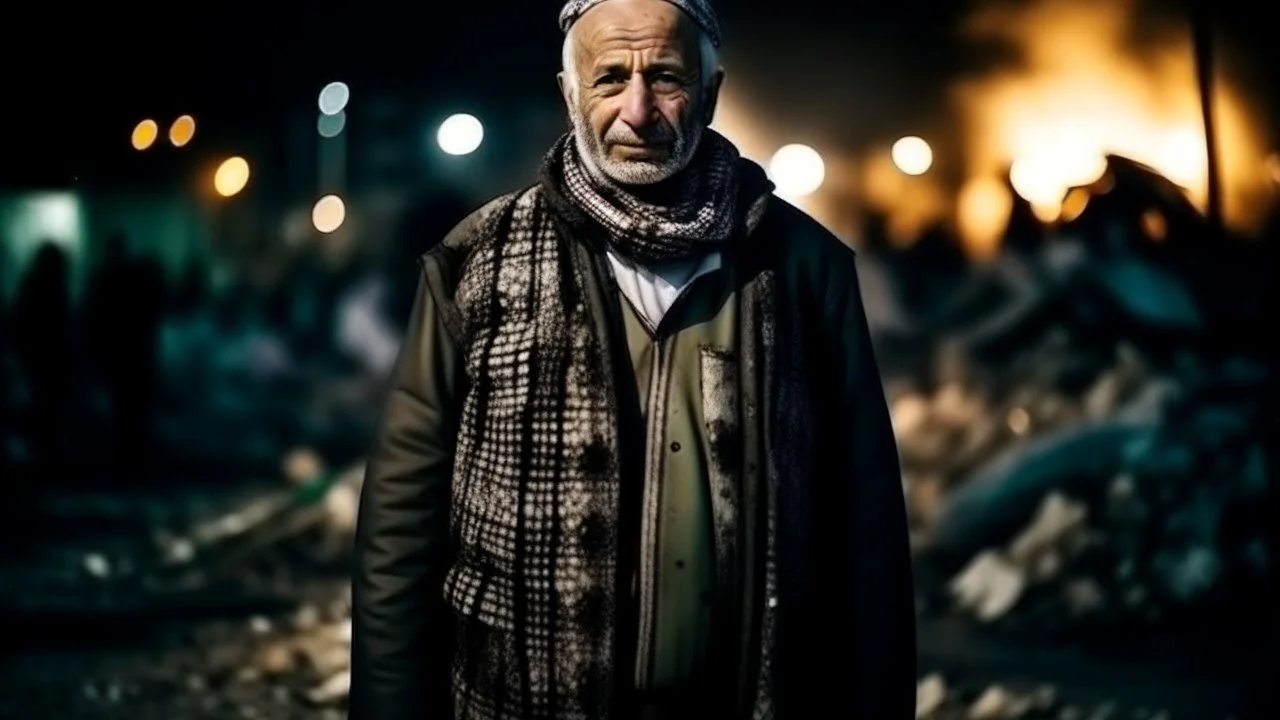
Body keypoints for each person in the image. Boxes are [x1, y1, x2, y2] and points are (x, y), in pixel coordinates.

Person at [350, 0, 916, 718]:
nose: (638, 110)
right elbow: (401, 529)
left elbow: (866, 535)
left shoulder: (805, 268)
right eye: (611, 78)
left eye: (668, 79)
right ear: (569, 93)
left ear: (711, 93)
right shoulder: (475, 263)